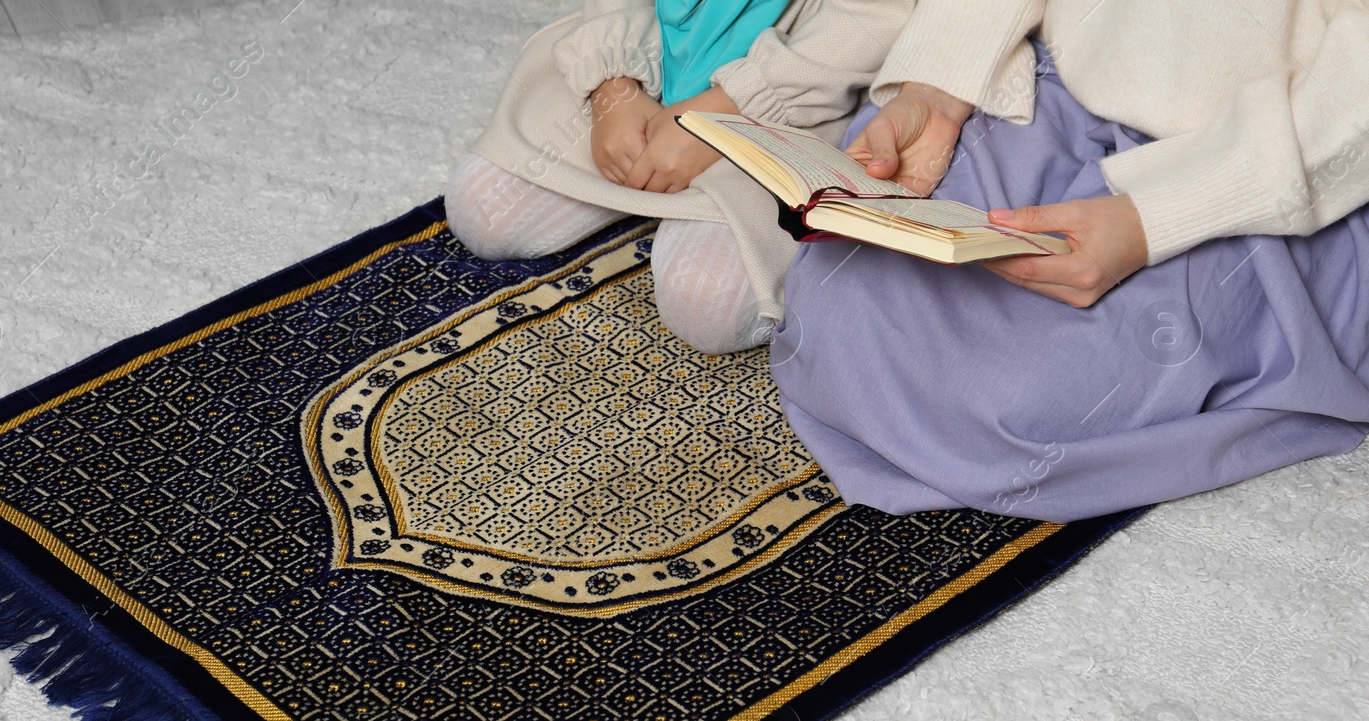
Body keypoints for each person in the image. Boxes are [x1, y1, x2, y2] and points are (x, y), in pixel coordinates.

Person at [769, 0, 1369, 522]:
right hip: (1059, 84)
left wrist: (1158, 218)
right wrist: (939, 85)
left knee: (1014, 403)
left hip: (1279, 156)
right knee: (843, 300)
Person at [445, 0, 914, 354]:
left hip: (798, 88)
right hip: (649, 42)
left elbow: (873, 19)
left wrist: (732, 108)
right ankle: (645, 168)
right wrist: (613, 82)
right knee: (484, 211)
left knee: (705, 304)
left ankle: (722, 208)